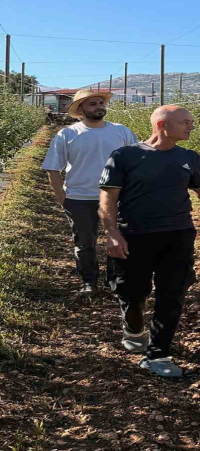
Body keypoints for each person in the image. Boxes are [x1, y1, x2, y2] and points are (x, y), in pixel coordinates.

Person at [99, 105, 200, 378]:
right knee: (132, 292)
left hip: (177, 234)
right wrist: (112, 234)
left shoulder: (188, 157)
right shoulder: (125, 156)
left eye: (191, 122)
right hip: (134, 235)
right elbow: (108, 199)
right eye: (185, 122)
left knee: (172, 294)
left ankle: (158, 355)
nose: (191, 127)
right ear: (162, 125)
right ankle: (134, 327)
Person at [41, 88, 138, 298]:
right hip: (80, 198)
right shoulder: (67, 134)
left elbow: (138, 163)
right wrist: (62, 198)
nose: (99, 107)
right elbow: (53, 168)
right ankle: (89, 282)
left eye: (101, 103)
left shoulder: (122, 131)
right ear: (81, 109)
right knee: (85, 243)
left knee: (119, 239)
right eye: (92, 104)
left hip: (117, 199)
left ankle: (117, 282)